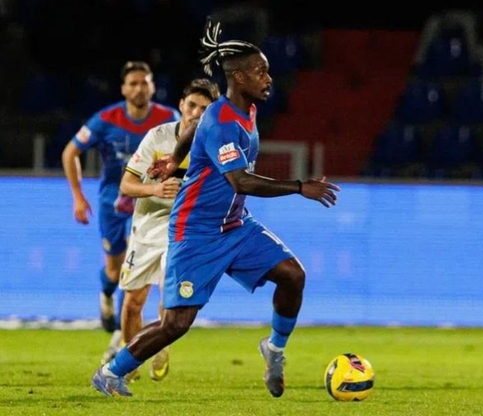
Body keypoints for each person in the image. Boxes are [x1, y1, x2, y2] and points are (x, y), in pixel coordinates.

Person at [91, 20, 340, 398]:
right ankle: (111, 372)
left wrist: (174, 158)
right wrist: (299, 187)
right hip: (196, 232)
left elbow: (193, 128)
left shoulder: (240, 110)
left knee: (292, 275)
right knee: (176, 323)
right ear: (238, 77)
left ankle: (274, 350)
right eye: (260, 71)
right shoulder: (224, 122)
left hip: (236, 225)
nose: (269, 78)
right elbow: (241, 181)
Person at [61, 61, 180, 362]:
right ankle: (105, 293)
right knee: (114, 271)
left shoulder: (170, 119)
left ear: (153, 87)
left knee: (136, 268)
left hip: (152, 205)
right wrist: (78, 196)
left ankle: (120, 335)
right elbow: (70, 152)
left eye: (144, 82)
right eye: (133, 83)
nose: (139, 88)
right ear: (124, 89)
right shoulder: (105, 119)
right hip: (114, 204)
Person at [117, 79, 220, 382]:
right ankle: (130, 360)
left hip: (183, 230)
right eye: (192, 106)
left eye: (204, 109)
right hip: (147, 226)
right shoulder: (158, 137)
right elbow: (126, 185)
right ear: (181, 105)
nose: (196, 113)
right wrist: (155, 189)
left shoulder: (216, 146)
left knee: (169, 297)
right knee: (133, 302)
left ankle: (159, 345)